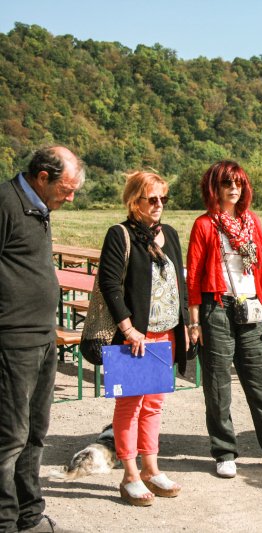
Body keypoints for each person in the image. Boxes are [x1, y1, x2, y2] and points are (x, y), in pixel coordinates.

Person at [186, 160, 262, 478]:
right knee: (217, 385)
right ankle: (225, 452)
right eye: (227, 183)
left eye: (239, 183)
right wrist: (194, 321)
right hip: (216, 309)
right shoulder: (204, 225)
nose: (234, 188)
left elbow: (261, 269)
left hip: (251, 308)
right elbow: (195, 278)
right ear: (215, 188)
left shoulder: (251, 222)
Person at [0, 145, 84, 532]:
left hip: (42, 338)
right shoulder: (5, 203)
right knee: (8, 438)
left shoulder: (40, 208)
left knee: (35, 434)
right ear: (42, 177)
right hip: (11, 343)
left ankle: (29, 517)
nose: (70, 198)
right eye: (66, 190)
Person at [98, 171, 188, 506]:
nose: (159, 205)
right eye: (152, 199)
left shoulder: (172, 234)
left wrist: (189, 323)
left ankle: (151, 468)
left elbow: (181, 282)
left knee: (154, 404)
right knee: (130, 404)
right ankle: (130, 474)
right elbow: (109, 285)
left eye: (163, 198)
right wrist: (129, 329)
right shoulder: (120, 234)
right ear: (134, 200)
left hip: (166, 333)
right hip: (136, 335)